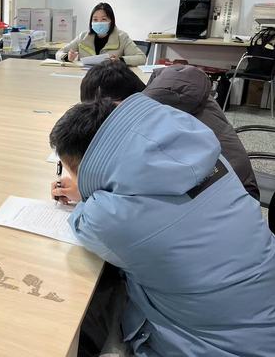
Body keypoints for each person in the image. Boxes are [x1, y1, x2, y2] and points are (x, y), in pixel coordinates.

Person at [50, 96, 275, 356]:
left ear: (85, 166)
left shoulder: (109, 219)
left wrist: (85, 191)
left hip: (220, 347)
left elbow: (83, 222)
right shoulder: (204, 153)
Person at [77, 60, 260, 199]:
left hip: (232, 194)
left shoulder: (151, 117)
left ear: (118, 103)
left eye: (103, 112)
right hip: (232, 182)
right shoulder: (175, 91)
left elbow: (140, 184)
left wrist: (88, 190)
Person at [55, 2, 145, 66]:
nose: (99, 22)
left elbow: (141, 58)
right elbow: (59, 53)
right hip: (85, 77)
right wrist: (67, 57)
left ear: (111, 21)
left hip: (110, 79)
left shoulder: (122, 37)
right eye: (95, 19)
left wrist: (120, 60)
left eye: (104, 19)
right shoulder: (83, 37)